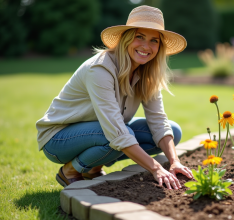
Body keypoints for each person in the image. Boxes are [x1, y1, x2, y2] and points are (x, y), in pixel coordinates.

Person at [36, 5, 193, 189]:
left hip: (102, 131)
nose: (146, 46)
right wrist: (156, 168)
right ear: (126, 39)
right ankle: (70, 170)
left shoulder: (148, 73)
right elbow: (116, 130)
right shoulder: (100, 69)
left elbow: (158, 120)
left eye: (154, 41)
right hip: (58, 139)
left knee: (173, 131)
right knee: (119, 133)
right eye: (139, 37)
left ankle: (92, 167)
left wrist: (174, 161)